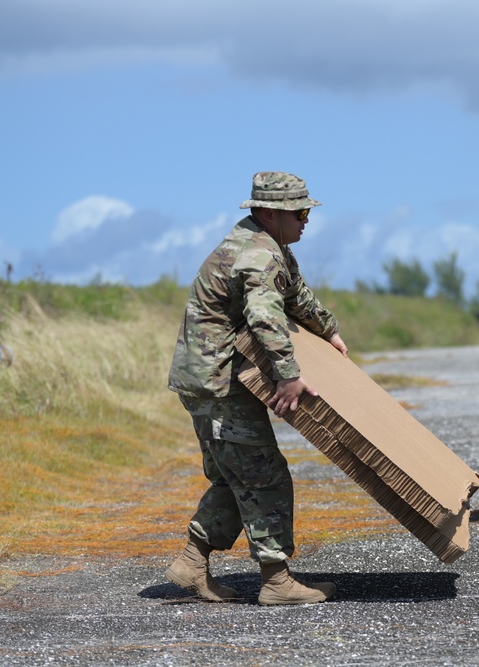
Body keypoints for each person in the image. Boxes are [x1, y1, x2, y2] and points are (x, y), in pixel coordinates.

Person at [165, 171, 348, 605]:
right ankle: (276, 581)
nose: (307, 220)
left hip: (209, 378)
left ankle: (191, 563)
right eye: (299, 213)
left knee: (236, 477)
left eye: (307, 211)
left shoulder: (269, 246)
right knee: (265, 476)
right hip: (218, 383)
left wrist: (330, 331)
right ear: (269, 213)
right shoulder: (258, 255)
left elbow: (295, 295)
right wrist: (288, 373)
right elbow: (265, 312)